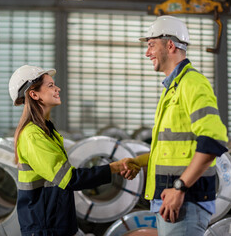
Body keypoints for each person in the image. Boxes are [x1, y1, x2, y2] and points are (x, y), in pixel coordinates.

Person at [8, 65, 139, 236]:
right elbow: (69, 179)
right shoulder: (33, 135)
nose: (57, 88)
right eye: (50, 86)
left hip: (56, 222)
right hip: (45, 227)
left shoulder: (47, 130)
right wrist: (114, 167)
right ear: (34, 94)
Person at [130, 15, 229, 236]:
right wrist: (139, 162)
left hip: (185, 203)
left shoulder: (192, 83)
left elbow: (213, 140)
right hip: (173, 202)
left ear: (170, 45)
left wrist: (179, 187)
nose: (147, 53)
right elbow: (174, 149)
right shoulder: (172, 88)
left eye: (151, 45)